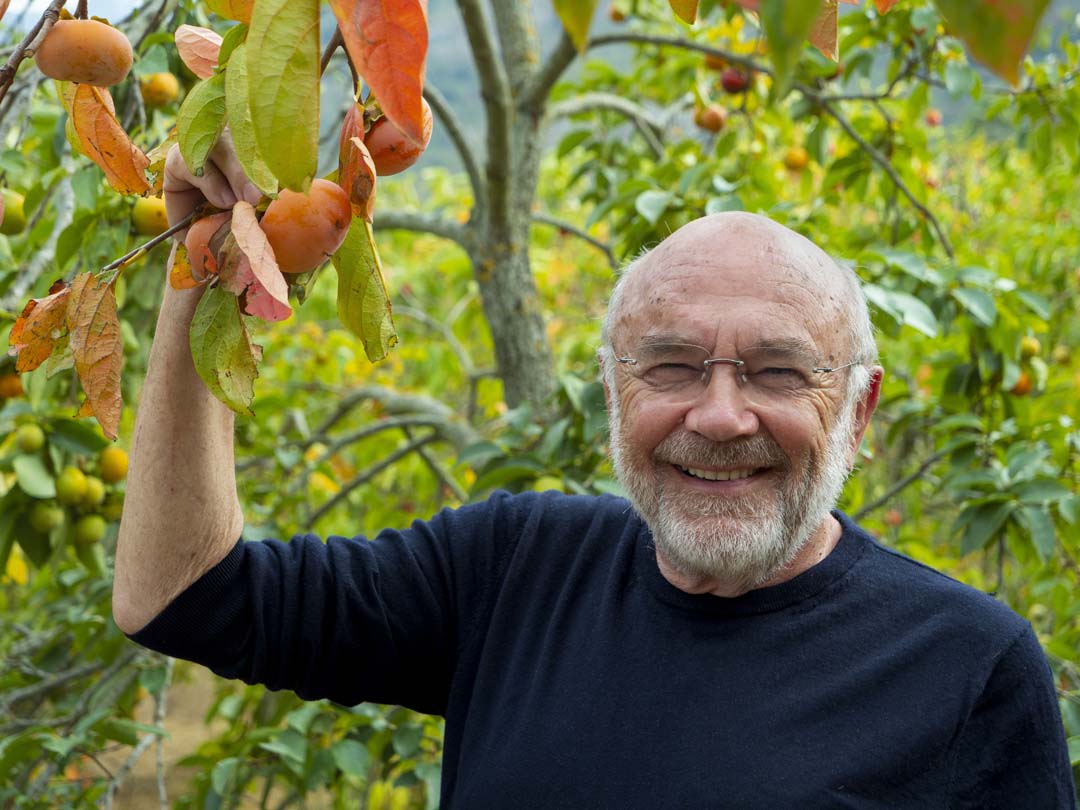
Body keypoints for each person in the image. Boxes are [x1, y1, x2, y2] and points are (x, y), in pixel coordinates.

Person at [114, 141, 1077, 809]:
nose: (720, 415)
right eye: (671, 366)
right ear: (614, 393)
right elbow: (182, 599)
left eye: (780, 371)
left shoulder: (967, 665)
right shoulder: (512, 569)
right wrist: (207, 261)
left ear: (858, 410)